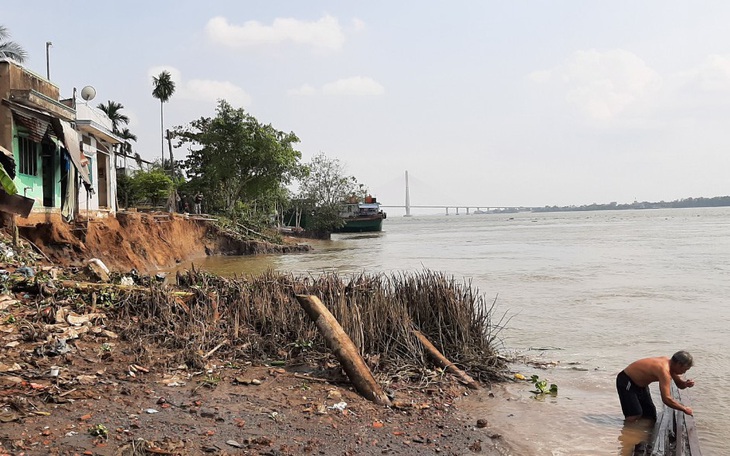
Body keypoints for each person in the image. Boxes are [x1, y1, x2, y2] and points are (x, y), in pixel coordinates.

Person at [616, 350, 695, 422]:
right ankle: (627, 434)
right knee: (635, 414)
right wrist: (684, 409)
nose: (684, 372)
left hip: (641, 385)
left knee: (650, 415)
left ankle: (642, 434)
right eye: (685, 369)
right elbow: (666, 399)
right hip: (626, 380)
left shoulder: (670, 365)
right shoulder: (664, 371)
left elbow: (679, 384)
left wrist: (685, 384)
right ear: (678, 364)